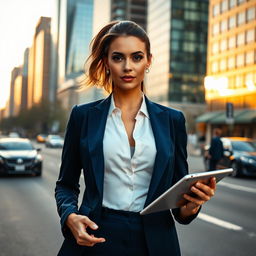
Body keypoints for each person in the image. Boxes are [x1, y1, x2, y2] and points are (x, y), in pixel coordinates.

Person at [55, 20, 216, 256]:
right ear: (106, 63)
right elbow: (66, 185)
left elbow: (179, 205)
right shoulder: (83, 117)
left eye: (136, 57)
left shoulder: (173, 120)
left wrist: (192, 205)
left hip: (156, 240)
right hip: (95, 234)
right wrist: (70, 216)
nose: (127, 67)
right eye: (118, 57)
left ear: (148, 61)